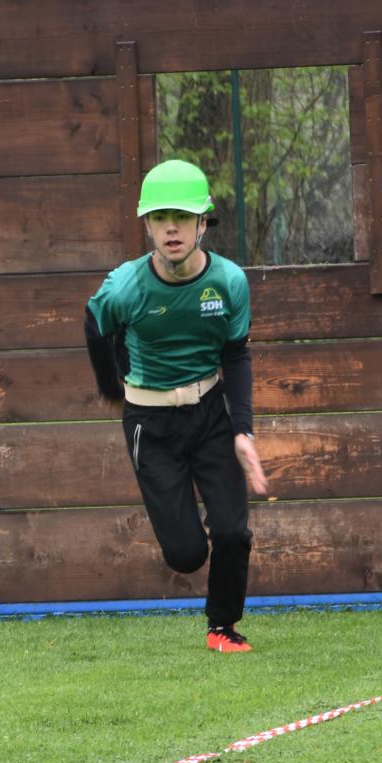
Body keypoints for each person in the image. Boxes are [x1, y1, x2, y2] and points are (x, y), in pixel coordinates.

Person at [84, 159, 267, 654]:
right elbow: (95, 324)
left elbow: (236, 355)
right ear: (146, 224)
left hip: (210, 413)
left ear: (203, 222)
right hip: (151, 424)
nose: (171, 228)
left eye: (182, 217)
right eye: (160, 217)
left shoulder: (229, 282)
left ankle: (222, 626)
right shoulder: (125, 287)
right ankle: (191, 560)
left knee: (232, 531)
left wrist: (243, 431)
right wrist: (111, 384)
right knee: (186, 555)